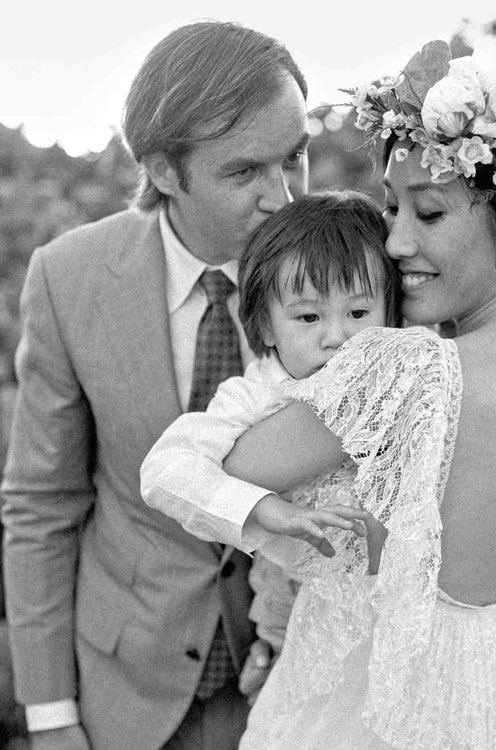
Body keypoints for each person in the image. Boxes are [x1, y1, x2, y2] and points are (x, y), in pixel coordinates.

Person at [159, 42, 496, 749]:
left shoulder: (404, 374)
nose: (392, 243)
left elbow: (224, 471)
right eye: (392, 208)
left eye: (428, 214)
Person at [0, 20, 310, 750]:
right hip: (126, 694)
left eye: (295, 158)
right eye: (245, 172)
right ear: (165, 170)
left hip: (303, 685)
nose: (283, 197)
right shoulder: (67, 278)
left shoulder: (355, 262)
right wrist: (51, 715)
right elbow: (43, 505)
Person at [140, 190, 397, 664]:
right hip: (297, 611)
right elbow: (164, 470)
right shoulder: (255, 394)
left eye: (359, 313)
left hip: (399, 611)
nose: (337, 337)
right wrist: (261, 507)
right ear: (264, 327)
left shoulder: (410, 375)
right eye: (308, 317)